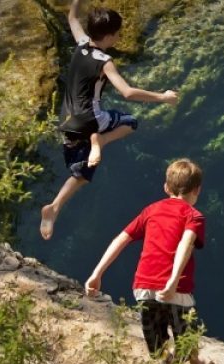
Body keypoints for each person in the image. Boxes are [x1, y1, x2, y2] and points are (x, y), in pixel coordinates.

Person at [40, 0, 179, 240]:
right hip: (91, 120)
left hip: (66, 121)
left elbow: (72, 18)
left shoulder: (82, 44)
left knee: (82, 172)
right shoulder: (105, 62)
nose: (117, 39)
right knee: (130, 122)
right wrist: (163, 97)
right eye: (117, 35)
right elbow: (127, 92)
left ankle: (54, 207)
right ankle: (100, 142)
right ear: (110, 35)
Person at [85, 158, 215, 364]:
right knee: (186, 329)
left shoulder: (151, 210)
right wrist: (173, 280)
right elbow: (186, 243)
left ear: (166, 187)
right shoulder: (194, 216)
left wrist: (96, 273)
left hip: (143, 286)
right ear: (197, 190)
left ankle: (174, 363)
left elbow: (121, 239)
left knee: (155, 337)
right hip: (176, 289)